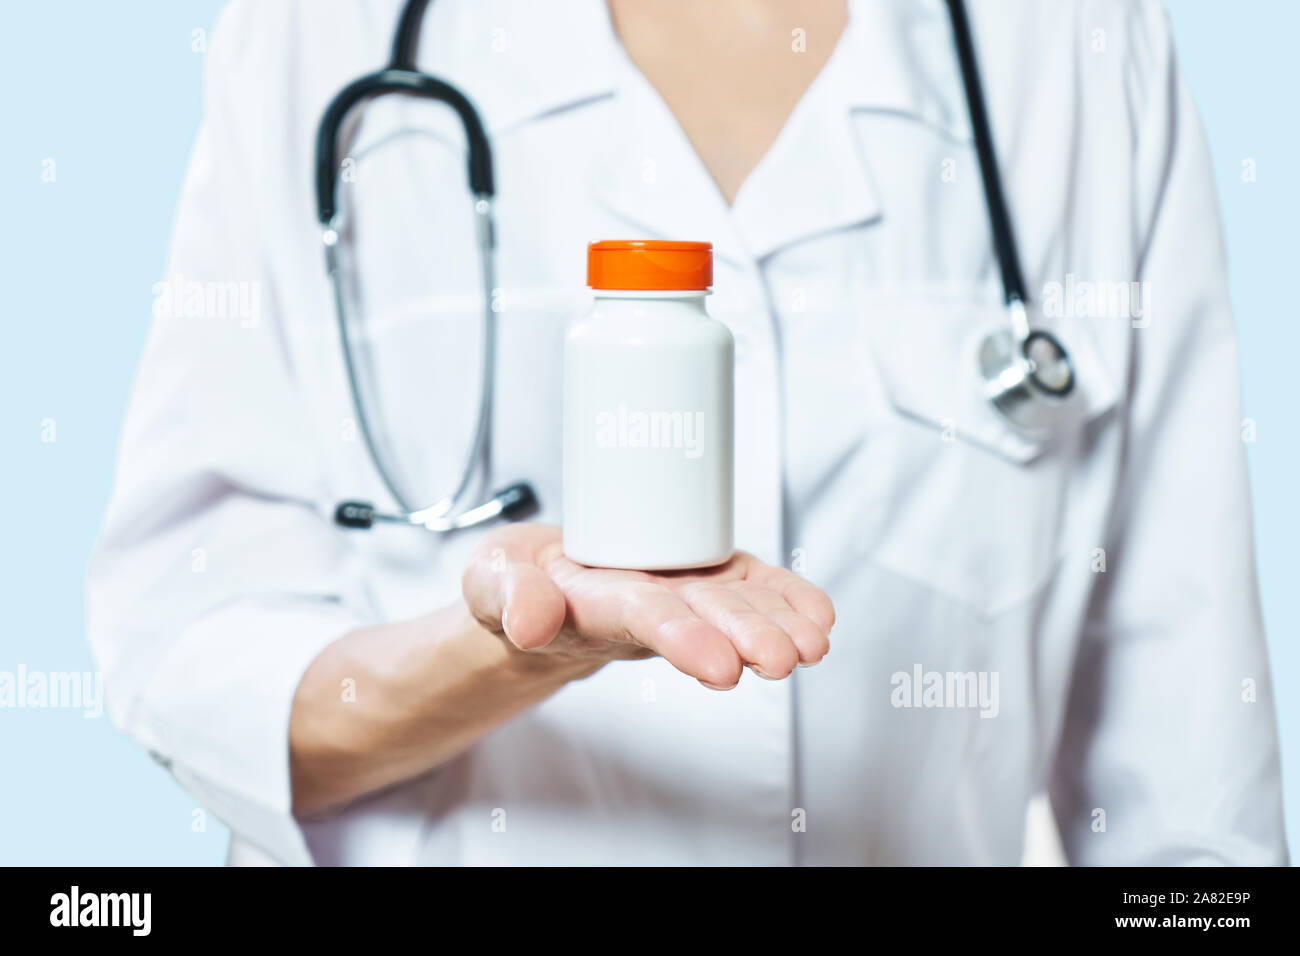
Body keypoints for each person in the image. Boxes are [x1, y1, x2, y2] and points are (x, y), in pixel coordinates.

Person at [88, 0, 1287, 865]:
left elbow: (1190, 796)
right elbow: (189, 660)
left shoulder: (1075, 47)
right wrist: (506, 653)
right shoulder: (322, 38)